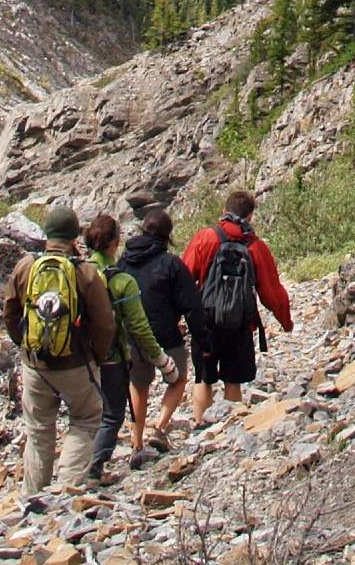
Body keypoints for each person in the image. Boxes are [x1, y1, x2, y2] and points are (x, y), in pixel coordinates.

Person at [2, 203, 117, 502]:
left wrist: (25, 346)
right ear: (73, 237)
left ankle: (32, 496)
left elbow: (10, 311)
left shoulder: (25, 266)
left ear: (47, 234)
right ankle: (66, 490)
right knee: (86, 418)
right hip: (76, 364)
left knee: (39, 429)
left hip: (36, 364)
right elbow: (105, 323)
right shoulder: (86, 272)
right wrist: (97, 356)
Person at [182, 189, 293, 425]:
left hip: (206, 321)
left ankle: (201, 426)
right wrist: (286, 322)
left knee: (203, 377)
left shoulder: (206, 237)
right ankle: (228, 429)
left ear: (224, 211)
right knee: (233, 380)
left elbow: (184, 277)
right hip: (240, 323)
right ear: (250, 216)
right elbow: (271, 291)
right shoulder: (254, 246)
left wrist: (177, 318)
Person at [80, 211, 174, 484]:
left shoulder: (79, 272)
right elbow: (140, 329)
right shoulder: (121, 281)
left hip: (75, 358)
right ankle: (92, 471)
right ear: (115, 243)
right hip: (110, 358)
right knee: (111, 415)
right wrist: (161, 360)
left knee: (83, 417)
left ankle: (70, 471)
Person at [119, 205, 208, 450]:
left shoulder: (123, 260)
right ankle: (159, 428)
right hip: (165, 336)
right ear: (168, 236)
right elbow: (191, 305)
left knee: (138, 386)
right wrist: (202, 337)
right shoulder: (172, 264)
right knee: (177, 379)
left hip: (132, 336)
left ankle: (136, 442)